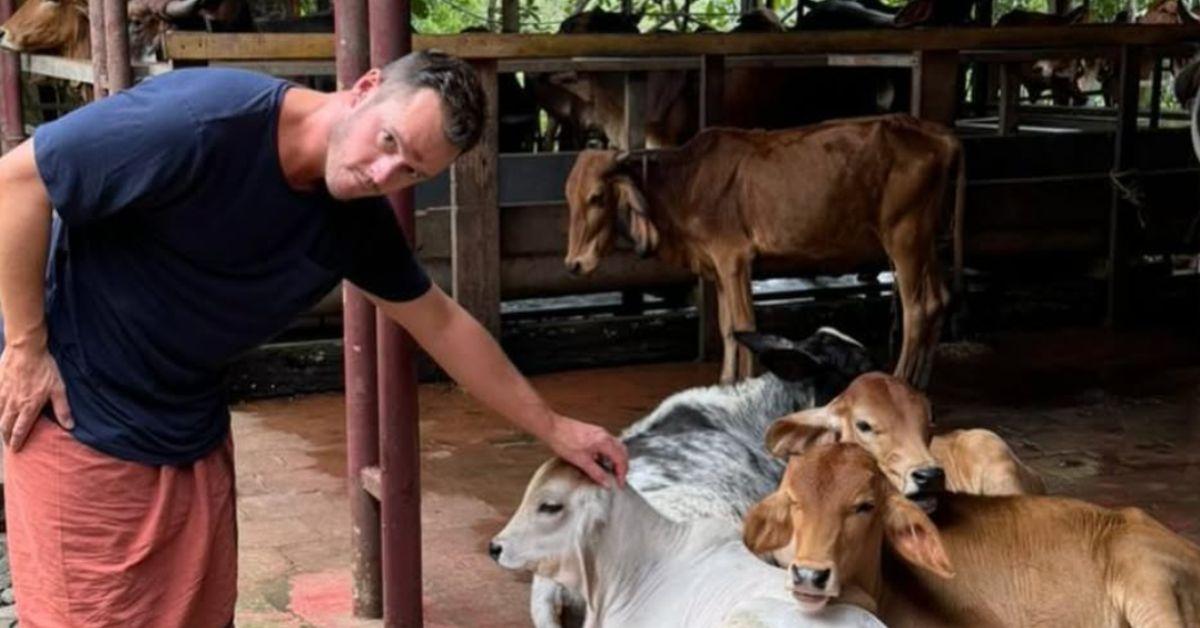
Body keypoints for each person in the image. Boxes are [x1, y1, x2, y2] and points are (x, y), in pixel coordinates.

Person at [0, 50, 628, 626]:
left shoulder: (355, 221)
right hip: (78, 412)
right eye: (387, 141)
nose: (380, 174)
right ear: (366, 87)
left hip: (188, 426)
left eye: (409, 172)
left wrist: (554, 428)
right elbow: (18, 180)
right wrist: (26, 349)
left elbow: (440, 322)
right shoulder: (198, 122)